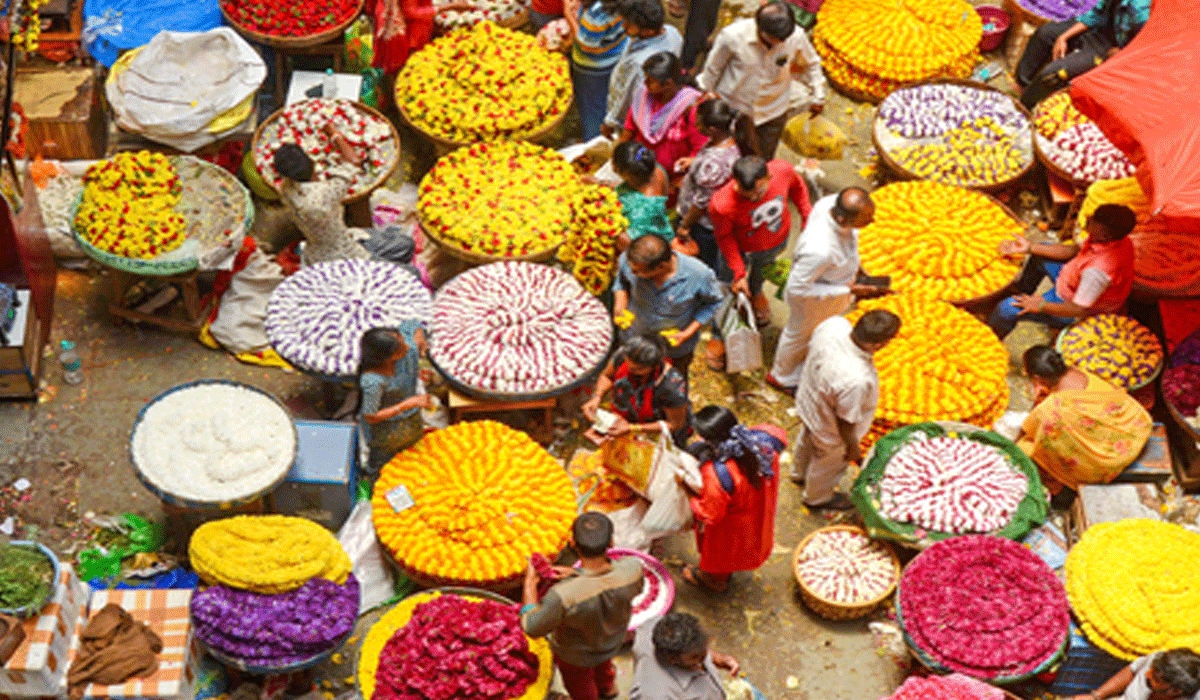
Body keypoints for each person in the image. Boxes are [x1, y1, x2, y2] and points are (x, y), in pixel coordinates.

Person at [766, 187, 878, 392]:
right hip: (814, 300)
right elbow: (797, 289)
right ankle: (782, 376)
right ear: (844, 220)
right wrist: (848, 290)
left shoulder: (831, 204)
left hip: (833, 289)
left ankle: (800, 365)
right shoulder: (820, 249)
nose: (872, 222)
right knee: (799, 334)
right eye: (866, 220)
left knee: (812, 333)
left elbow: (850, 242)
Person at [522, 513, 644, 700]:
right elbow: (604, 582)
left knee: (582, 688)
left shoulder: (562, 595)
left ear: (572, 543)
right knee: (604, 667)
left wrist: (530, 583)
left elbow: (532, 626)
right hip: (611, 642)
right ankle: (609, 689)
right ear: (611, 542)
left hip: (576, 656)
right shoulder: (632, 569)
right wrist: (576, 574)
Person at [792, 309, 901, 510]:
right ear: (878, 344)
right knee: (827, 464)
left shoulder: (833, 325)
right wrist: (852, 447)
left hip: (809, 403)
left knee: (806, 438)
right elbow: (846, 420)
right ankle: (817, 498)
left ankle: (798, 473)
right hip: (830, 428)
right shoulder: (856, 379)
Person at [1015, 345, 1152, 497]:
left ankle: (1058, 484)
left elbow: (1028, 429)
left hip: (1109, 461)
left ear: (1037, 379)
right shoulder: (1078, 371)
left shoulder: (1052, 408)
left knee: (1026, 448)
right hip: (1136, 426)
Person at [697, 1, 827, 159]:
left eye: (785, 38)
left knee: (762, 161)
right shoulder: (733, 36)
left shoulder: (796, 36)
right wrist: (707, 99)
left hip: (772, 112)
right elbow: (712, 69)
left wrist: (818, 96)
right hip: (734, 109)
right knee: (727, 159)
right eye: (776, 39)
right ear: (760, 28)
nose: (782, 43)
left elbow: (812, 63)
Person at [989, 203, 1138, 340]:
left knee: (1006, 309)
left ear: (1106, 235)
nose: (1088, 219)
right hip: (1071, 279)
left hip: (1071, 308)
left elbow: (1077, 309)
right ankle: (1020, 290)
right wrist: (1029, 248)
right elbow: (1073, 251)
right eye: (1093, 216)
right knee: (1042, 250)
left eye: (1093, 221)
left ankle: (992, 337)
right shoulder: (1113, 239)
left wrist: (1040, 305)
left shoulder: (1098, 271)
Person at [678, 405, 786, 593]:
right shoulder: (759, 445)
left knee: (723, 552)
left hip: (732, 526)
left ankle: (713, 579)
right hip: (758, 509)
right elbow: (778, 434)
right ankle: (721, 573)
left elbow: (710, 514)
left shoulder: (717, 473)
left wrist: (686, 489)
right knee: (746, 546)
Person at [273, 133, 417, 268]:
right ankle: (379, 272)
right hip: (347, 254)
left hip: (323, 247)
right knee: (413, 271)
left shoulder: (286, 188)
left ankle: (384, 266)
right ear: (311, 162)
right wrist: (334, 134)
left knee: (407, 244)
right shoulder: (324, 194)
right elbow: (354, 161)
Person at [708, 155, 811, 326]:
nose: (755, 197)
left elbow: (798, 187)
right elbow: (725, 237)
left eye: (760, 190)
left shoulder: (782, 170)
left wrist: (807, 215)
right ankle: (730, 303)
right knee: (727, 280)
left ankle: (756, 292)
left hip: (775, 240)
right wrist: (739, 273)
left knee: (763, 269)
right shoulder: (721, 205)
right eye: (748, 195)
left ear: (768, 177)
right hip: (741, 250)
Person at [613, 234, 724, 383]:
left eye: (638, 272)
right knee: (634, 375)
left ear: (661, 267)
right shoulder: (630, 260)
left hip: (674, 348)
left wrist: (687, 333)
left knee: (674, 381)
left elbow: (713, 303)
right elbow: (621, 281)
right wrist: (620, 304)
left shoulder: (699, 274)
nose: (633, 274)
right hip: (635, 337)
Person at [1015, 0, 1152, 109]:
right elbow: (1094, 15)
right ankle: (1022, 83)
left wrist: (1122, 53)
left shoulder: (1140, 12)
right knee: (1045, 34)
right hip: (1098, 29)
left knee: (1054, 73)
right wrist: (1063, 37)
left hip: (1110, 47)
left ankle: (1024, 106)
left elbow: (1145, 47)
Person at [675, 99, 752, 272]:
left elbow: (701, 202)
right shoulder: (728, 139)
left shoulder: (714, 164)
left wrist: (685, 225)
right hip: (706, 220)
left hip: (701, 224)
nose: (695, 125)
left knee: (699, 265)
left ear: (712, 129)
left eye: (698, 122)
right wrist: (695, 162)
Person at [620, 52, 707, 195]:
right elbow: (630, 126)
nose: (645, 83)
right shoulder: (644, 96)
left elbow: (699, 151)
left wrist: (679, 183)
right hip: (640, 173)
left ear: (667, 84)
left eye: (650, 80)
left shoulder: (692, 108)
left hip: (672, 184)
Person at [583, 333, 691, 448]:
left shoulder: (672, 386)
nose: (629, 369)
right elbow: (607, 376)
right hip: (624, 420)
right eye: (628, 364)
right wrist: (597, 396)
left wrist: (633, 428)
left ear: (653, 366)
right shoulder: (624, 354)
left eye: (637, 369)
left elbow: (675, 424)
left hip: (654, 431)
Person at [357, 325, 437, 473]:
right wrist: (406, 404)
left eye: (402, 340)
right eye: (400, 348)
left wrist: (422, 341)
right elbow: (371, 416)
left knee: (413, 451)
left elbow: (413, 324)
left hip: (411, 420)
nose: (407, 346)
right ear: (386, 357)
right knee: (384, 462)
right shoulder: (373, 380)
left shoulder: (409, 350)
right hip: (385, 430)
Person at [601, 0, 682, 140]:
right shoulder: (673, 32)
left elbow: (625, 97)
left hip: (633, 120)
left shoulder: (640, 64)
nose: (623, 26)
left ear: (648, 31)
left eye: (629, 24)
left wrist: (610, 122)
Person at [629, 612, 741, 700]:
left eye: (705, 647)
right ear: (672, 659)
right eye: (696, 656)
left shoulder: (652, 626)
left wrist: (720, 660)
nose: (706, 656)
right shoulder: (656, 695)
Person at [565, 0, 629, 140]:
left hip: (593, 67)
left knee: (592, 107)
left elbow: (586, 45)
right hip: (617, 53)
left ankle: (594, 140)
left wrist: (568, 15)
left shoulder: (596, 14)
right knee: (608, 96)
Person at [1068, 648, 1200, 700]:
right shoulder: (1158, 660)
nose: (1147, 674)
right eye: (1152, 670)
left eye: (1155, 678)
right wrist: (1096, 695)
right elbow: (1132, 670)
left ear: (1175, 691)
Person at [611, 140, 674, 247]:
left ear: (626, 174)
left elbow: (634, 247)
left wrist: (604, 223)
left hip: (649, 247)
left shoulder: (643, 210)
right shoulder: (653, 168)